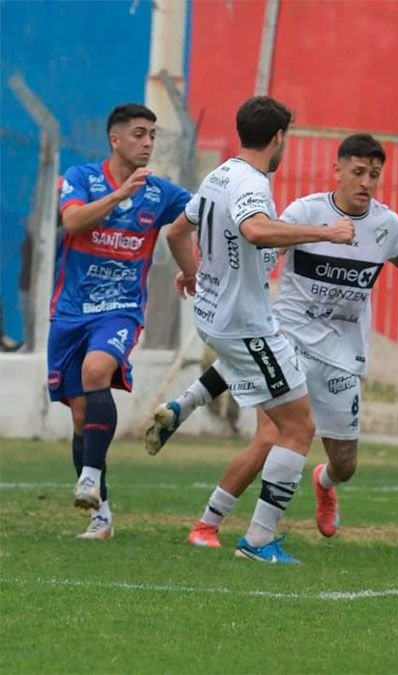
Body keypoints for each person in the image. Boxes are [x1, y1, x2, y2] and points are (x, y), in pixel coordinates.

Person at [147, 133, 398, 548]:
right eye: (358, 172)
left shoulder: (385, 226)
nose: (366, 182)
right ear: (337, 170)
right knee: (271, 435)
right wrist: (205, 273)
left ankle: (322, 481)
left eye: (374, 174)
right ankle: (210, 525)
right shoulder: (307, 213)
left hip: (341, 355)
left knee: (345, 463)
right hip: (291, 336)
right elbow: (256, 254)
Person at [164, 95, 356, 564]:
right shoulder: (251, 182)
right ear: (277, 138)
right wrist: (327, 233)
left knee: (276, 428)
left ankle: (185, 409)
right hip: (245, 325)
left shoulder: (218, 175)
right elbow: (254, 230)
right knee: (298, 428)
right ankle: (258, 540)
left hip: (216, 318)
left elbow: (174, 232)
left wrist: (192, 273)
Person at [50, 103, 191, 539]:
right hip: (70, 312)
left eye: (152, 134)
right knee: (79, 417)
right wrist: (118, 196)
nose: (148, 142)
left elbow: (190, 221)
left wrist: (192, 270)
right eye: (139, 134)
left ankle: (89, 477)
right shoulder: (81, 178)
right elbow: (71, 221)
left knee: (97, 370)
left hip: (120, 310)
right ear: (115, 139)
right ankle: (102, 514)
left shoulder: (162, 193)